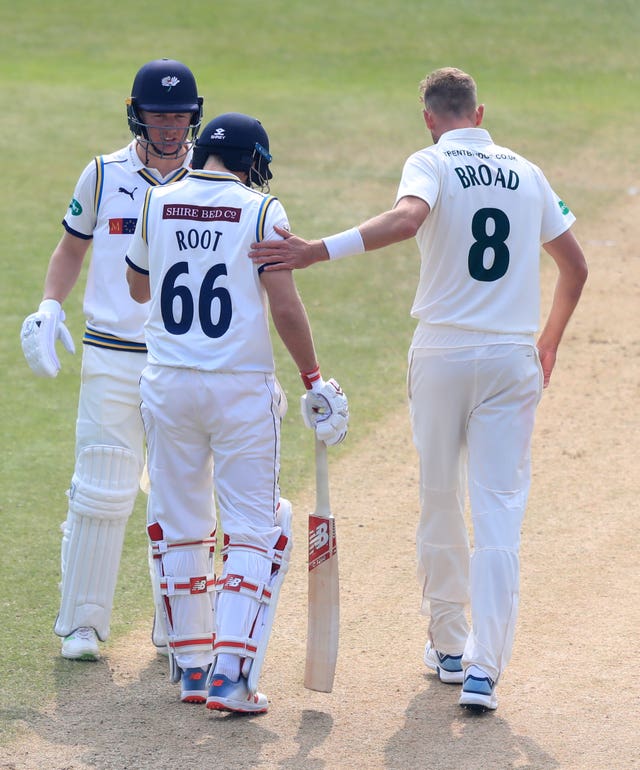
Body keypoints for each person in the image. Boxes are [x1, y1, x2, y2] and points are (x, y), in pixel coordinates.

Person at [248, 67, 588, 712]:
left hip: (443, 352)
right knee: (499, 511)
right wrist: (549, 340)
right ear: (479, 114)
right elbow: (576, 265)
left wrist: (317, 250)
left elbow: (407, 221)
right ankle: (486, 670)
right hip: (512, 356)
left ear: (430, 117)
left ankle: (450, 647)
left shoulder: (429, 161)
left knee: (439, 494)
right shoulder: (529, 171)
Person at [125, 112, 349, 713]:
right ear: (253, 162)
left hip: (167, 384)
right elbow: (285, 305)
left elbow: (138, 288)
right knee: (256, 526)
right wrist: (313, 379)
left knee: (178, 523)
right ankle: (232, 676)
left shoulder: (157, 200)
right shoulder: (260, 210)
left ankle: (193, 669)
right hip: (239, 388)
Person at [20, 58, 204, 661]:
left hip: (183, 360)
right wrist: (50, 306)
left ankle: (175, 624)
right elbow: (70, 248)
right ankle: (82, 624)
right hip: (110, 353)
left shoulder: (212, 180)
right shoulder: (101, 174)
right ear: (137, 114)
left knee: (182, 495)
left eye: (181, 116)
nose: (172, 128)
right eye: (160, 115)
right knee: (101, 487)